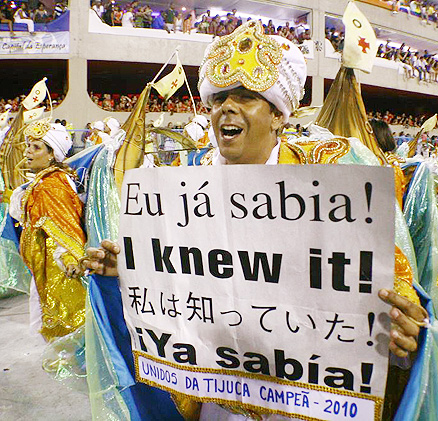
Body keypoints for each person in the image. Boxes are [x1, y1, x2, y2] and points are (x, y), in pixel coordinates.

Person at [83, 21, 430, 420]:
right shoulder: (180, 182)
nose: (226, 107)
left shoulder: (328, 177)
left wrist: (401, 321)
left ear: (279, 115)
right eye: (219, 98)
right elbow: (171, 276)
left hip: (305, 396)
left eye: (246, 96)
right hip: (213, 391)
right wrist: (127, 268)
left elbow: (383, 279)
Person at [8, 120, 86, 341]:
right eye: (29, 146)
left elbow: (66, 227)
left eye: (36, 147)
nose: (28, 151)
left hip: (57, 268)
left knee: (66, 331)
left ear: (52, 154)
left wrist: (70, 258)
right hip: (44, 265)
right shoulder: (43, 182)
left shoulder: (52, 185)